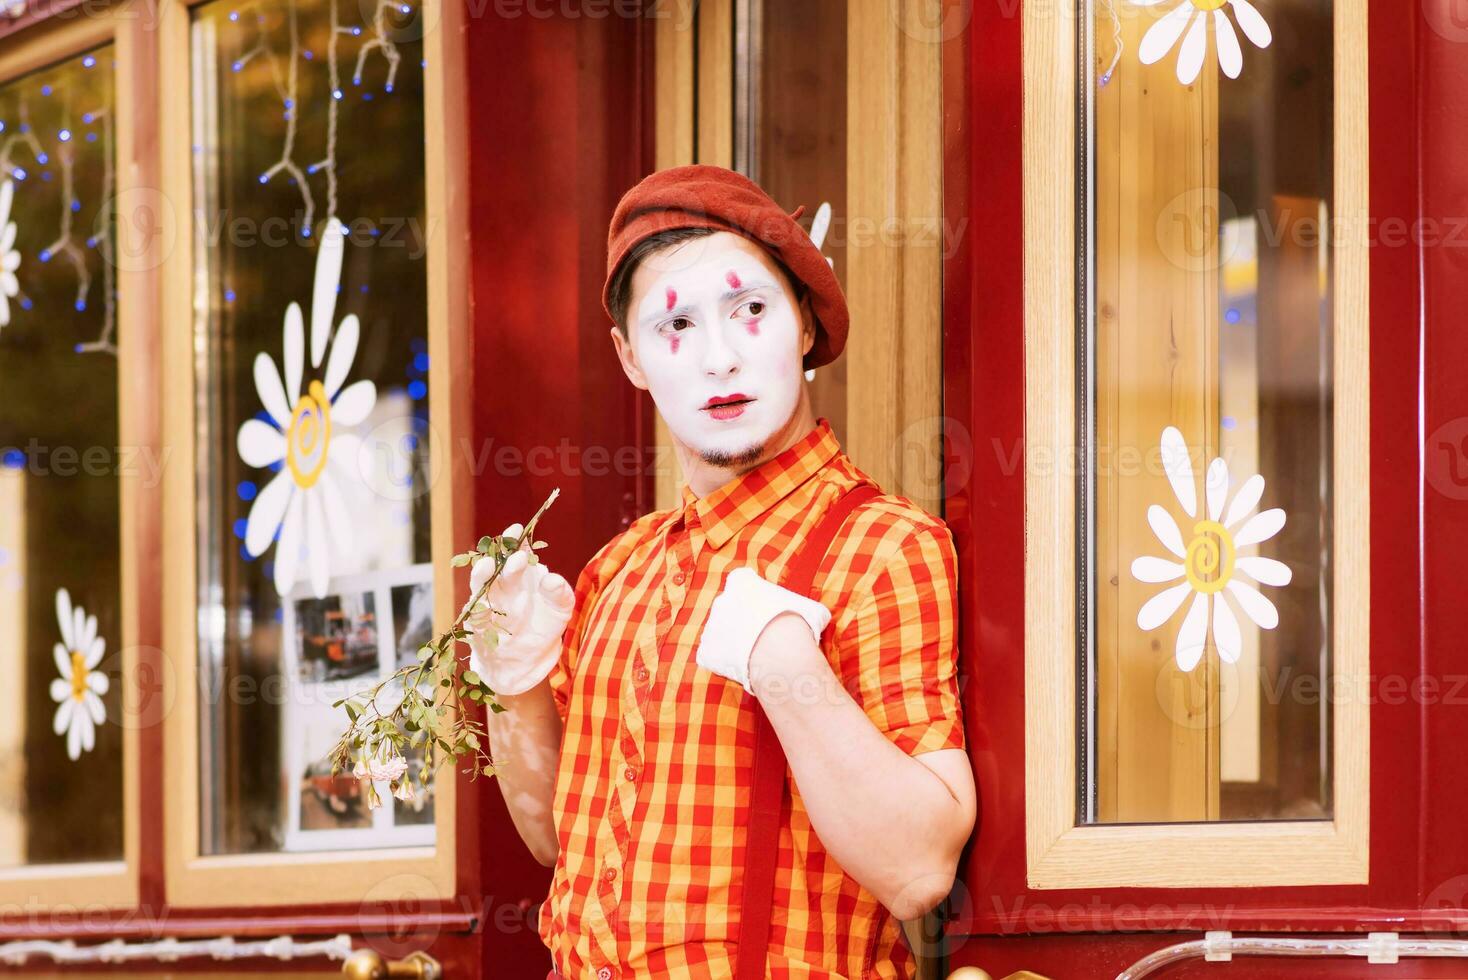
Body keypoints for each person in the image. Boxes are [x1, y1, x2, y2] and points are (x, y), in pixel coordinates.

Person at [473, 165, 975, 979]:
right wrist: (516, 682)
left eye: (750, 311)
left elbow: (917, 870)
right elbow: (556, 841)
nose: (718, 358)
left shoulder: (882, 547)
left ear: (804, 327)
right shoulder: (619, 571)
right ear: (630, 358)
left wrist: (785, 667)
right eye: (675, 325)